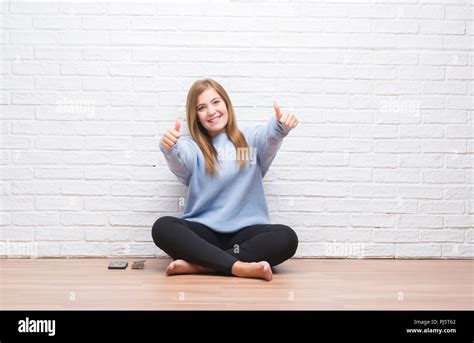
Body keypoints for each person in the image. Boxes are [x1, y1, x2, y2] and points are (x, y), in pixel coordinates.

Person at [152, 78, 299, 281]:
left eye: (216, 102)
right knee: (163, 227)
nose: (211, 111)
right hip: (204, 235)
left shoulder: (251, 139)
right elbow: (180, 159)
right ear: (195, 116)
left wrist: (280, 126)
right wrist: (170, 147)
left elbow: (269, 136)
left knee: (287, 238)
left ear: (226, 104)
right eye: (202, 107)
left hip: (246, 234)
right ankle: (239, 267)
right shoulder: (193, 148)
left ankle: (202, 266)